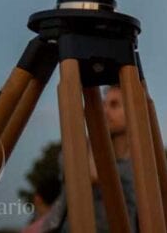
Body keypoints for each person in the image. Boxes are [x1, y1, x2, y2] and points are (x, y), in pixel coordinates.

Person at [43, 85, 138, 232]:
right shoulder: (76, 151)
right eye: (103, 104)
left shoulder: (141, 164)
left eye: (114, 105)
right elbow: (88, 176)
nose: (105, 111)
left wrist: (95, 126)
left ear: (134, 113)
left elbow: (99, 176)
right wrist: (94, 129)